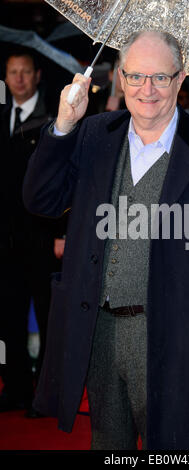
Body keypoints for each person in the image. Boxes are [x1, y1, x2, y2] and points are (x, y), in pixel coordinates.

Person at [23, 30, 189, 450]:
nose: (145, 89)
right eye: (135, 76)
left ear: (181, 78)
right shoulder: (95, 134)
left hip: (177, 337)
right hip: (98, 332)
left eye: (159, 77)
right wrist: (63, 125)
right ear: (119, 77)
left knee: (174, 451)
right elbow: (41, 199)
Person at [0, 49, 63, 416]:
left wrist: (62, 234)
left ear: (37, 75)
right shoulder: (2, 115)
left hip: (42, 237)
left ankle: (50, 394)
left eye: (25, 71)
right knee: (8, 317)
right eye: (13, 72)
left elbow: (62, 180)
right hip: (6, 240)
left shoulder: (54, 119)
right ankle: (17, 388)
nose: (19, 78)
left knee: (49, 315)